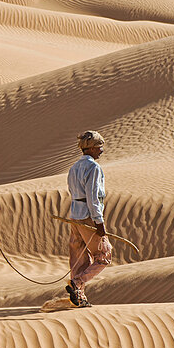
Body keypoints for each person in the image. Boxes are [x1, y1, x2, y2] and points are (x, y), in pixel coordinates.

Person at [63, 130, 112, 307]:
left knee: (79, 257)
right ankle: (77, 283)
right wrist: (99, 222)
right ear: (90, 148)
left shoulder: (74, 167)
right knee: (104, 255)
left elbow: (72, 191)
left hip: (75, 216)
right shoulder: (93, 168)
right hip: (88, 218)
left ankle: (78, 297)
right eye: (99, 147)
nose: (101, 150)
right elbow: (93, 197)